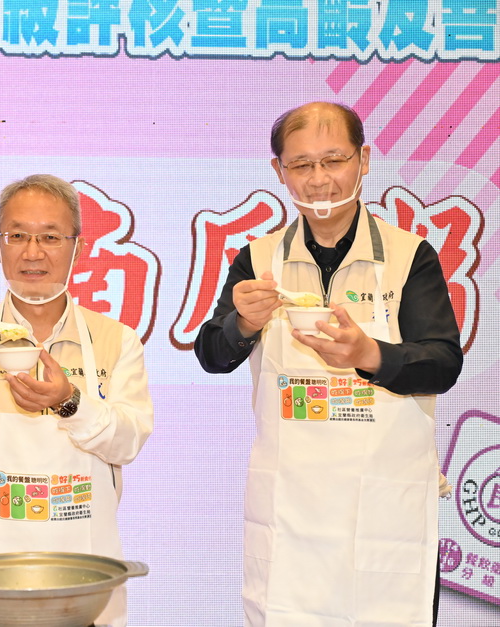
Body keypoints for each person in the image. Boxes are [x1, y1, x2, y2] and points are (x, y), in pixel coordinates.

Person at [195, 102, 462, 626]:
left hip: (384, 505)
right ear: (279, 171)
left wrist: (369, 355)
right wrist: (242, 324)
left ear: (364, 160)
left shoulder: (410, 255)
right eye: (301, 165)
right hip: (291, 509)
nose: (318, 180)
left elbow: (442, 362)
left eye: (334, 160)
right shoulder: (258, 258)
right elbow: (212, 355)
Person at [0, 174, 153, 626]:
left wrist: (70, 402)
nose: (33, 252)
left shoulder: (116, 339)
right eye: (18, 235)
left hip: (86, 576)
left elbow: (127, 443)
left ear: (78, 248)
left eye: (50, 237)